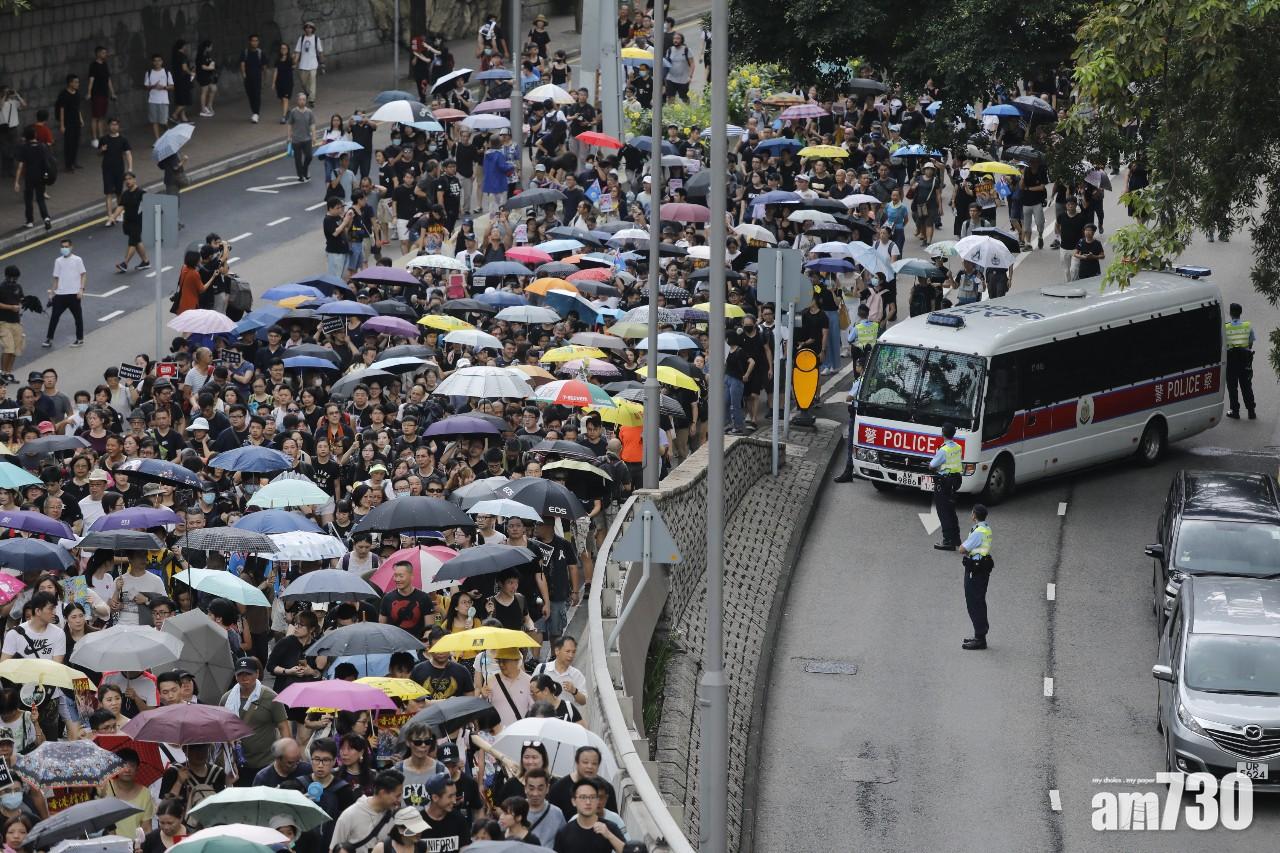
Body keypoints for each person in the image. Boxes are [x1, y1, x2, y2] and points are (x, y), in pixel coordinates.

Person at [219, 655, 289, 785]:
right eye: (240, 674)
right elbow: (221, 729)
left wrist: (286, 754)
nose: (244, 677)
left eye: (248, 674)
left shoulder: (270, 697)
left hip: (267, 762)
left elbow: (283, 727)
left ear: (257, 674)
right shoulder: (226, 699)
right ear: (235, 676)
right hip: (238, 763)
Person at [328, 769, 402, 853]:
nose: (399, 800)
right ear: (383, 793)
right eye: (397, 796)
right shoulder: (349, 815)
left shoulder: (395, 817)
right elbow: (334, 849)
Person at [553, 777, 625, 852]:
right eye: (583, 797)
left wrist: (609, 835)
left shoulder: (610, 827)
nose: (588, 802)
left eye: (592, 797)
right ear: (574, 801)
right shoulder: (564, 832)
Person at [958, 504, 994, 651]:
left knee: (974, 603)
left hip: (976, 571)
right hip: (981, 568)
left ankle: (980, 638)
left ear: (974, 515)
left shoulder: (978, 532)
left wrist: (967, 549)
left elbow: (962, 549)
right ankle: (979, 634)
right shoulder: (985, 528)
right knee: (978, 601)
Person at [928, 422, 963, 551]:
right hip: (955, 481)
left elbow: (932, 465)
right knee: (951, 510)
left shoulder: (943, 450)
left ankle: (948, 541)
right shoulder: (958, 447)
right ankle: (956, 539)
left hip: (944, 482)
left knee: (943, 512)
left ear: (943, 433)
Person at [45, 238, 86, 349]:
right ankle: (49, 339)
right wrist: (52, 293)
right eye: (62, 247)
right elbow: (56, 278)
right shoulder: (58, 261)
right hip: (60, 294)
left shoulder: (77, 260)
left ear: (71, 247)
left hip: (74, 294)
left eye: (66, 247)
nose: (64, 249)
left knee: (78, 318)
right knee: (54, 317)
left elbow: (83, 275)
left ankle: (80, 339)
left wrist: (81, 289)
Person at [378, 561, 435, 636]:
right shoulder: (387, 598)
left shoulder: (424, 598)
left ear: (411, 576)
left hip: (417, 641)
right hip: (394, 641)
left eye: (401, 576)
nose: (397, 579)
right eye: (395, 576)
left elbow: (429, 629)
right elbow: (382, 627)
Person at [13, 126, 51, 230]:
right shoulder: (42, 146)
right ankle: (46, 218)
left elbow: (20, 166)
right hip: (40, 176)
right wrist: (46, 176)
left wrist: (16, 182)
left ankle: (29, 221)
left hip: (29, 176)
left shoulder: (24, 148)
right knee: (40, 199)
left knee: (28, 199)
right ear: (35, 135)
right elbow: (46, 163)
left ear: (25, 136)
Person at [419, 773, 471, 850]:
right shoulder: (418, 822)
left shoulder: (459, 820)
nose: (454, 801)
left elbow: (466, 849)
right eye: (450, 796)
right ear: (435, 797)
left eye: (455, 795)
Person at [1224, 302, 1257, 420]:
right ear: (1240, 313)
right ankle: (1251, 412)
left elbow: (1223, 345)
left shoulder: (1226, 327)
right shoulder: (1248, 326)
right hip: (1245, 360)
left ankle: (1235, 412)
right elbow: (1250, 344)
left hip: (1231, 361)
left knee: (1232, 387)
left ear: (1230, 313)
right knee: (1246, 385)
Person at [97, 118, 131, 226]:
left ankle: (119, 213)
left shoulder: (123, 139)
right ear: (108, 126)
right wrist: (102, 150)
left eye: (116, 124)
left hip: (119, 169)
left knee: (119, 192)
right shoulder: (104, 139)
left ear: (118, 126)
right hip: (107, 169)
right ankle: (110, 216)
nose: (114, 127)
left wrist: (130, 168)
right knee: (108, 193)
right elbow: (98, 154)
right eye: (112, 124)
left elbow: (128, 153)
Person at [0, 266, 25, 383]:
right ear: (7, 276)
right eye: (12, 278)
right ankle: (2, 373)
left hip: (16, 321)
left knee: (15, 349)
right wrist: (11, 307)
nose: (14, 280)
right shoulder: (1, 287)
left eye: (16, 278)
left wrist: (20, 306)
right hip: (3, 322)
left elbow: (21, 300)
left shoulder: (18, 287)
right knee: (8, 348)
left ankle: (8, 373)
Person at [87, 46, 116, 144]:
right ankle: (95, 138)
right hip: (96, 94)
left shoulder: (105, 64)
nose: (105, 54)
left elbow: (108, 79)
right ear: (98, 54)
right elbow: (91, 80)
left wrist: (112, 92)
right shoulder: (93, 65)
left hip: (104, 94)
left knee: (102, 116)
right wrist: (89, 93)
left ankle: (101, 136)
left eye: (105, 53)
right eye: (103, 53)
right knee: (95, 116)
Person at [53, 74, 82, 172]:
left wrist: (81, 119)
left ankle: (74, 162)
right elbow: (62, 110)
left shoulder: (77, 93)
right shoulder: (64, 95)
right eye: (75, 82)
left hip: (76, 120)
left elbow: (78, 108)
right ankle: (68, 165)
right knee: (69, 143)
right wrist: (62, 125)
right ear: (70, 83)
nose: (77, 84)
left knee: (76, 142)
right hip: (68, 122)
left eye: (78, 82)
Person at [144, 54, 174, 141]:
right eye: (155, 61)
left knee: (164, 121)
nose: (157, 62)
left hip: (163, 100)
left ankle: (168, 136)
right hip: (152, 100)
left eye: (159, 60)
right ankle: (158, 140)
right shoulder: (149, 73)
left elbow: (172, 86)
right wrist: (153, 86)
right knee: (154, 121)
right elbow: (146, 86)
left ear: (162, 62)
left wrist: (163, 87)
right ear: (153, 62)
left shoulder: (166, 72)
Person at [286, 93, 316, 182]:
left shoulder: (309, 112)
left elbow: (312, 124)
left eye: (304, 99)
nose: (302, 101)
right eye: (300, 99)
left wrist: (314, 136)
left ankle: (305, 170)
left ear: (306, 101)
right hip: (296, 140)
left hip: (307, 139)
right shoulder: (293, 112)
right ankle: (301, 175)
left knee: (309, 156)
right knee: (298, 160)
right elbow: (289, 124)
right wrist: (289, 137)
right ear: (297, 100)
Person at [294, 23, 324, 106]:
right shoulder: (301, 38)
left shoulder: (316, 39)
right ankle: (308, 93)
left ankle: (311, 99)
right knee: (303, 83)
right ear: (304, 29)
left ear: (313, 29)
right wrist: (295, 62)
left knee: (312, 82)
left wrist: (322, 62)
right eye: (307, 27)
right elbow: (297, 51)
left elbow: (320, 51)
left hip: (313, 64)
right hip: (303, 64)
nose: (308, 29)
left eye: (310, 28)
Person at [239, 34, 266, 124]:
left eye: (256, 41)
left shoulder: (260, 53)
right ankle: (254, 112)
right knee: (250, 95)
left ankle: (256, 113)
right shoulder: (245, 52)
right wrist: (244, 74)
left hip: (257, 78)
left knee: (257, 95)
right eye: (253, 41)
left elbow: (264, 66)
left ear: (258, 42)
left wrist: (264, 78)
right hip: (248, 78)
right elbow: (242, 63)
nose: (255, 42)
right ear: (249, 42)